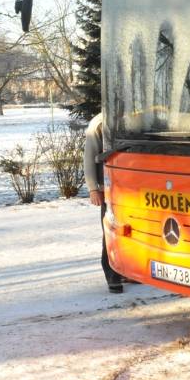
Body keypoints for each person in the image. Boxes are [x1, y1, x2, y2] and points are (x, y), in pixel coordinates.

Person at [85, 112, 124, 293]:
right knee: (110, 230)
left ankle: (127, 269)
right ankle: (111, 273)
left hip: (131, 186)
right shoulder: (99, 123)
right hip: (107, 188)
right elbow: (89, 157)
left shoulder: (134, 117)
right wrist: (93, 188)